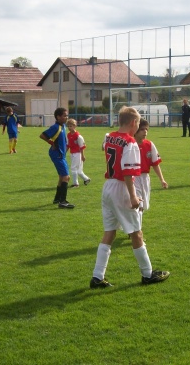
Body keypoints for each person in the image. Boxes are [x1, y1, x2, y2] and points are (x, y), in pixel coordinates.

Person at [90, 106, 170, 288]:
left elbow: (109, 153)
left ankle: (97, 276)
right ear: (134, 123)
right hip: (121, 188)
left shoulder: (109, 136)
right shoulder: (130, 142)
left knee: (109, 232)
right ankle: (148, 274)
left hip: (108, 186)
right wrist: (133, 196)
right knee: (136, 232)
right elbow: (128, 171)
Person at [39, 107, 74, 209]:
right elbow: (42, 135)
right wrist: (51, 143)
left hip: (60, 154)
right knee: (66, 177)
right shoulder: (56, 127)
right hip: (57, 154)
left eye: (67, 115)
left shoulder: (63, 126)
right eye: (64, 116)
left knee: (62, 177)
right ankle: (62, 202)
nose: (66, 117)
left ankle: (57, 199)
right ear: (58, 117)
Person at [134, 119, 168, 213]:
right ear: (135, 130)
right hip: (133, 177)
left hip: (145, 178)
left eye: (146, 129)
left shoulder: (149, 144)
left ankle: (137, 226)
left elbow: (155, 164)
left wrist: (162, 179)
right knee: (138, 203)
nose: (145, 132)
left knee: (143, 205)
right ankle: (137, 227)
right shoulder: (130, 144)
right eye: (142, 129)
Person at [66, 118, 91, 188]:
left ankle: (75, 184)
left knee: (73, 168)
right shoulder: (68, 135)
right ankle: (87, 179)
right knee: (79, 170)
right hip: (72, 153)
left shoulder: (78, 136)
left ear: (74, 126)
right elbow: (68, 145)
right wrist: (64, 152)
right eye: (68, 126)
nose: (69, 127)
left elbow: (82, 146)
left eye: (71, 126)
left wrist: (83, 156)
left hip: (77, 154)